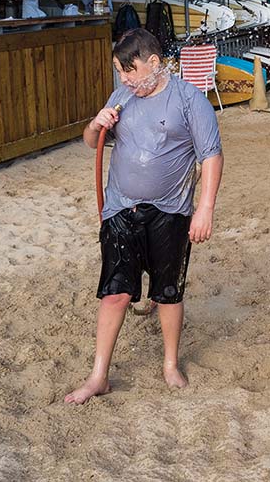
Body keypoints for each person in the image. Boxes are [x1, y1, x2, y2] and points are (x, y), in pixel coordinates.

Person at [65, 28, 224, 404]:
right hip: (120, 207)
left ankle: (170, 364)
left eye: (129, 70)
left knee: (168, 291)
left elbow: (211, 157)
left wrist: (205, 208)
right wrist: (95, 124)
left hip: (171, 210)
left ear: (154, 63)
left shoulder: (189, 100)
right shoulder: (123, 96)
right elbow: (93, 143)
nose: (124, 79)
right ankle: (98, 375)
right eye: (120, 72)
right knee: (115, 292)